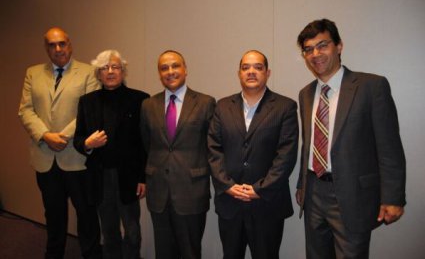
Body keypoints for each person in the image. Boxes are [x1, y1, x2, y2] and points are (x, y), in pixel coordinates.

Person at [295, 18, 406, 258]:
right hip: (314, 193)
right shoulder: (305, 94)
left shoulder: (371, 86)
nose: (315, 54)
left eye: (322, 45)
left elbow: (389, 148)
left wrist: (393, 197)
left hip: (352, 195)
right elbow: (309, 145)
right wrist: (302, 185)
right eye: (308, 49)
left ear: (339, 46)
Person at [18, 27, 102, 259]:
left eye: (62, 43)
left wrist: (61, 137)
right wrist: (45, 135)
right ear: (46, 48)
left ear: (70, 44)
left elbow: (90, 111)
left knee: (86, 214)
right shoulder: (33, 73)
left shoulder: (88, 72)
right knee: (53, 215)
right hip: (45, 157)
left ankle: (92, 255)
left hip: (77, 158)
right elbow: (25, 110)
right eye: (52, 45)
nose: (58, 49)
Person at [208, 50, 299, 259]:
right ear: (239, 73)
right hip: (230, 203)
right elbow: (214, 149)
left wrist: (260, 189)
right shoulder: (222, 106)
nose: (251, 72)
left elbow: (286, 154)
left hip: (267, 204)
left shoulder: (285, 107)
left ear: (268, 73)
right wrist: (227, 185)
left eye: (258, 67)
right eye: (245, 67)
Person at [73, 50, 150, 259]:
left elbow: (146, 143)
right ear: (98, 74)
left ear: (123, 72)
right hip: (100, 177)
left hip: (129, 177)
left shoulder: (140, 99)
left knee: (132, 231)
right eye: (104, 68)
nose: (110, 71)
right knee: (109, 232)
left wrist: (143, 178)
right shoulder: (87, 101)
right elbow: (78, 138)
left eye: (115, 67)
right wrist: (87, 143)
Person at [140, 50, 215, 259]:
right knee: (163, 252)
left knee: (190, 252)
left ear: (185, 69)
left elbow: (212, 147)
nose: (170, 71)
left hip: (191, 191)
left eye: (175, 66)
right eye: (164, 68)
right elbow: (147, 143)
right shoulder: (148, 105)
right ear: (159, 73)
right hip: (158, 192)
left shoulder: (205, 102)